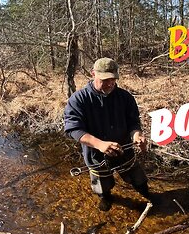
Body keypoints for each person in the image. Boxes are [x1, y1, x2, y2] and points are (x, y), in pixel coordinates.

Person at [64, 57, 152, 211]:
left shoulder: (125, 97)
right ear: (93, 74)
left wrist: (137, 135)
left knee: (138, 179)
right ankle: (106, 198)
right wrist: (100, 144)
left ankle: (147, 195)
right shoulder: (78, 99)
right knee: (102, 186)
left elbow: (133, 123)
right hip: (96, 155)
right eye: (105, 80)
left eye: (113, 79)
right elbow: (73, 129)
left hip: (125, 151)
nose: (110, 84)